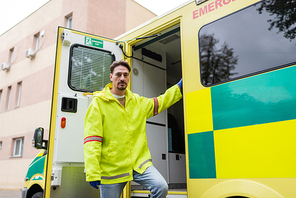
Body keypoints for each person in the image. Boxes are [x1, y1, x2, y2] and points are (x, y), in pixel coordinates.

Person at [84, 60, 183, 198]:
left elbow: (160, 102)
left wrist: (178, 87)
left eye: (126, 75)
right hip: (112, 168)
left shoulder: (137, 101)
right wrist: (92, 171)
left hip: (138, 164)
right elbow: (92, 140)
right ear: (111, 77)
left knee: (161, 187)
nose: (122, 78)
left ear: (129, 77)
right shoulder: (98, 103)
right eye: (118, 74)